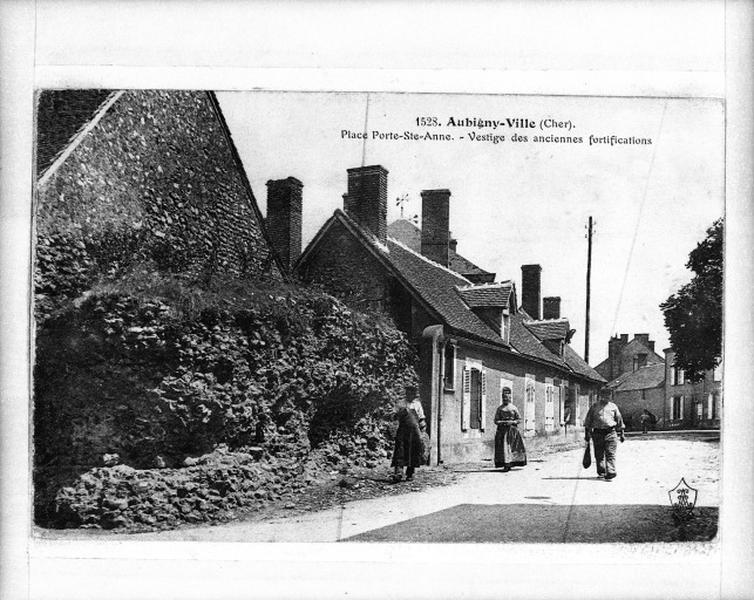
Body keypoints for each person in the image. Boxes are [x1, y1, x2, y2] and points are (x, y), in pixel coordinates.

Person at [584, 388, 625, 480]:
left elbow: (619, 420)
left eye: (608, 395)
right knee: (599, 454)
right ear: (600, 396)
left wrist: (622, 433)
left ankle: (611, 471)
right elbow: (588, 421)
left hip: (611, 432)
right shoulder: (594, 406)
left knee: (610, 453)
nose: (606, 397)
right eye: (604, 396)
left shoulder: (613, 407)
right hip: (598, 433)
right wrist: (587, 434)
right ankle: (601, 472)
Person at [391, 386, 426, 482]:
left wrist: (422, 431)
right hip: (403, 431)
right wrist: (401, 412)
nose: (411, 395)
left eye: (413, 394)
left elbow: (421, 418)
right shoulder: (401, 403)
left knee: (413, 451)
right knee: (400, 450)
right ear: (406, 394)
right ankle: (398, 473)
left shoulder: (417, 404)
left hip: (414, 431)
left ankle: (410, 473)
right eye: (409, 393)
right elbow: (393, 417)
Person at [493, 387, 527, 472]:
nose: (505, 399)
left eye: (507, 398)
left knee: (512, 447)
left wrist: (512, 422)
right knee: (504, 447)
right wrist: (502, 422)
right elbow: (496, 420)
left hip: (512, 431)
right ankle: (505, 464)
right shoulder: (500, 409)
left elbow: (519, 419)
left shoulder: (514, 408)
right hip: (502, 431)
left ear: (510, 398)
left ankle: (512, 463)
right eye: (504, 398)